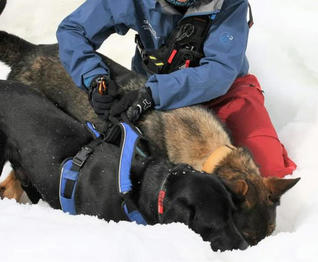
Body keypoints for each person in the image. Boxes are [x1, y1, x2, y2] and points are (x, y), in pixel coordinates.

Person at [56, 0, 296, 178]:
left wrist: (154, 94)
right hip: (152, 95)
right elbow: (74, 30)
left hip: (221, 93)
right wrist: (94, 78)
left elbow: (220, 72)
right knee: (136, 173)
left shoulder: (230, 3)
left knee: (268, 169)